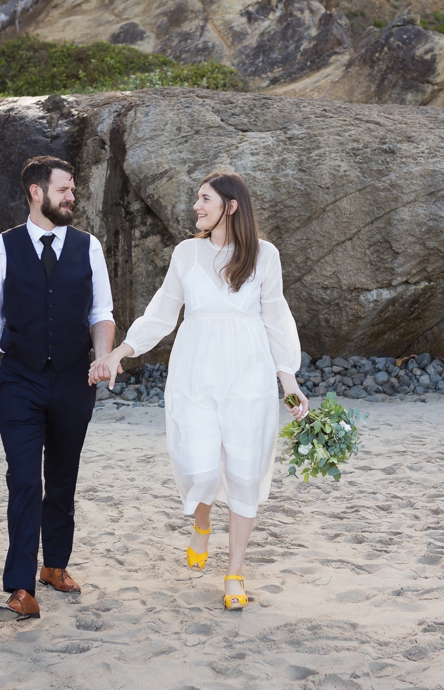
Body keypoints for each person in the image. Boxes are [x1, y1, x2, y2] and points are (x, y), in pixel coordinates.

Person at [90, 171, 306, 611]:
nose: (196, 206)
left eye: (205, 199)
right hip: (194, 374)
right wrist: (121, 352)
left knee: (244, 473)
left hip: (248, 376)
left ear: (230, 206)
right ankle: (202, 525)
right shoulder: (186, 253)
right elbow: (162, 312)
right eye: (197, 199)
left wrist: (289, 382)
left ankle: (234, 573)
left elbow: (276, 318)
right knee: (200, 467)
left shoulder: (264, 256)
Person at [0, 156, 116, 622]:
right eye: (63, 189)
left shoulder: (89, 246)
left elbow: (101, 312)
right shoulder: (3, 247)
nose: (71, 196)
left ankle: (54, 565)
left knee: (62, 476)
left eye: (72, 188)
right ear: (36, 192)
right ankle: (20, 588)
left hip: (75, 378)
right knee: (23, 479)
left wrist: (102, 356)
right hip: (20, 379)